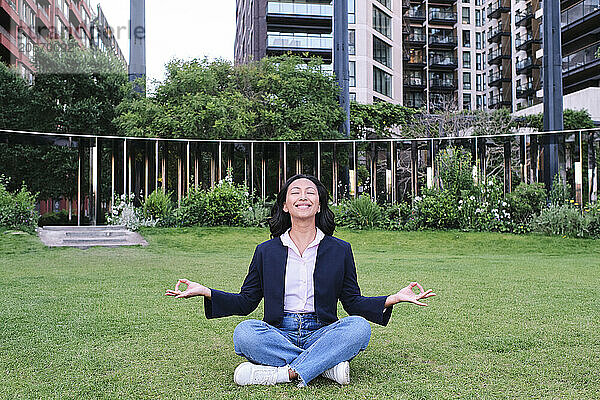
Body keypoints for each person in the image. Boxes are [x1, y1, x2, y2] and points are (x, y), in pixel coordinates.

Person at [166, 174, 435, 387]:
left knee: (358, 328)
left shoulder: (339, 249)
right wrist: (206, 292)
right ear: (285, 205)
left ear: (319, 204)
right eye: (295, 192)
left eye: (310, 193)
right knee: (245, 333)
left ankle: (284, 373)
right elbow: (247, 301)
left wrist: (394, 298)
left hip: (322, 331)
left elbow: (352, 302)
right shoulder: (266, 251)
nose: (303, 197)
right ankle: (325, 366)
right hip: (279, 331)